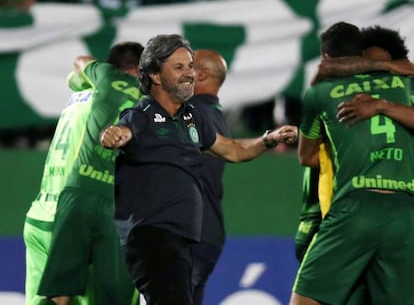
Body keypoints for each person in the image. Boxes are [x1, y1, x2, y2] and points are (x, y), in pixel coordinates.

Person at [100, 33, 298, 305]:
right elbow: (122, 130)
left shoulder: (192, 117)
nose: (189, 74)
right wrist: (115, 134)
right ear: (156, 76)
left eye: (190, 66)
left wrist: (267, 140)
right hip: (153, 237)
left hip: (181, 239)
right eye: (178, 67)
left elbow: (233, 150)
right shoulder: (142, 114)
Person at [291, 21, 414, 305]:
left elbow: (306, 157)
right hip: (404, 211)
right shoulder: (405, 85)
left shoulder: (321, 92)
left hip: (347, 210)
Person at [32, 41, 144, 305]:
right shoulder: (150, 102)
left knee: (58, 293)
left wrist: (79, 78)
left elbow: (80, 62)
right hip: (113, 205)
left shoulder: (96, 83)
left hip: (57, 203)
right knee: (114, 295)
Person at [188, 49, 229, 305]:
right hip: (206, 232)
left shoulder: (190, 115)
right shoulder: (215, 116)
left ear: (201, 75)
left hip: (189, 235)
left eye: (186, 67)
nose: (179, 72)